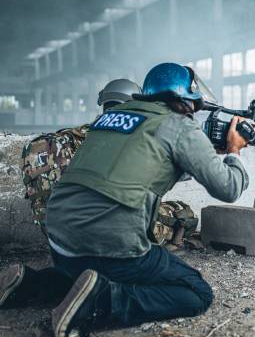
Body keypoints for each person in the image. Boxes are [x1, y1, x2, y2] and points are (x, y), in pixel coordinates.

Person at [1, 63, 249, 337]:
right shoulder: (179, 127)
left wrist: (201, 152)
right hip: (110, 243)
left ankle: (28, 284)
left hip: (59, 238)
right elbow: (229, 188)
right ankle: (99, 303)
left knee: (86, 273)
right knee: (195, 292)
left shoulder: (113, 116)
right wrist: (234, 150)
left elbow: (144, 166)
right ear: (186, 99)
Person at [20, 79, 198, 249]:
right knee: (184, 213)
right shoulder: (127, 138)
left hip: (56, 237)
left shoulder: (70, 138)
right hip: (104, 236)